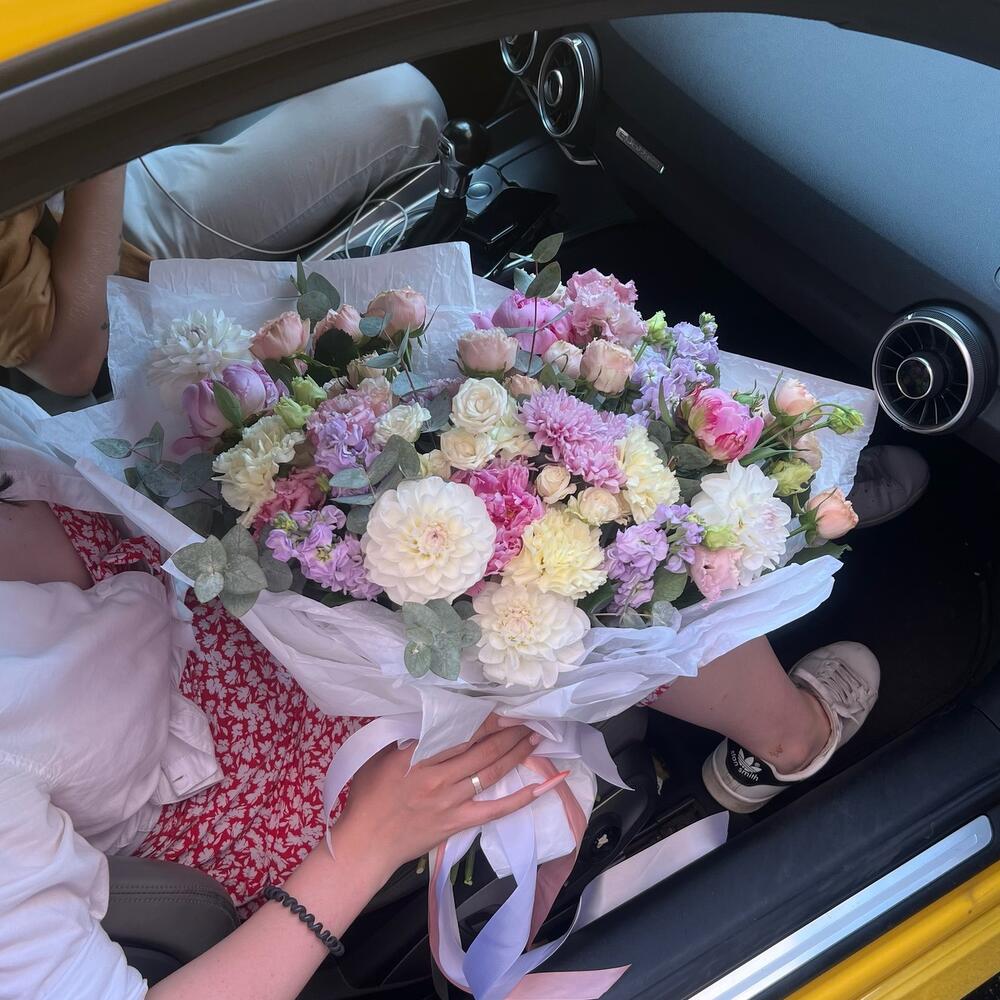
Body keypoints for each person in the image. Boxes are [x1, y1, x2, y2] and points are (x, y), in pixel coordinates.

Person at [0, 384, 880, 998]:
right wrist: (368, 843)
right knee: (550, 603)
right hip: (235, 765)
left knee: (494, 481)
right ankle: (792, 733)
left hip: (162, 582)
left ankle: (760, 516)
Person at [0, 65, 445, 396]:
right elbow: (66, 364)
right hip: (102, 223)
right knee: (403, 102)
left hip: (76, 151)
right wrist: (105, 132)